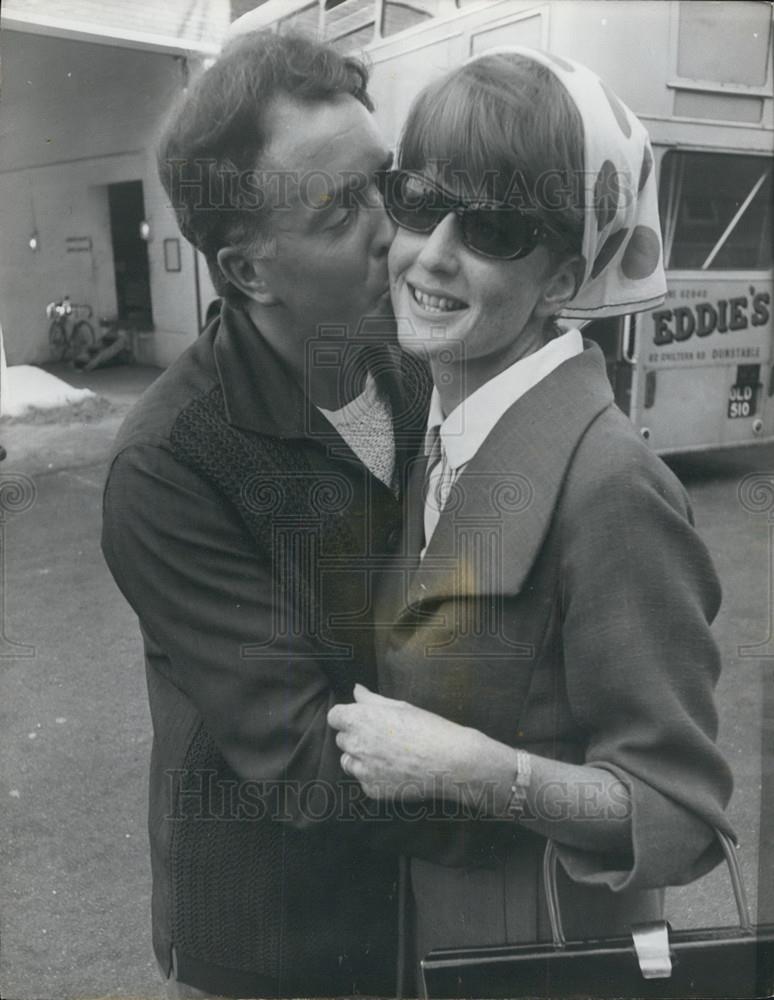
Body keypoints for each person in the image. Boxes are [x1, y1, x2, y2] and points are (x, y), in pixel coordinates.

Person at [328, 46, 735, 986]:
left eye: (495, 229)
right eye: (420, 202)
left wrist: (477, 769)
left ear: (561, 281)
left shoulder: (608, 483)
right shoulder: (443, 427)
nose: (432, 252)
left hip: (548, 959)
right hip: (434, 941)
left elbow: (680, 811)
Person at [101, 29, 431, 999]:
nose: (394, 232)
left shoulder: (412, 362)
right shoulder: (168, 466)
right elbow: (305, 768)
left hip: (419, 901)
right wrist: (538, 781)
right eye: (341, 212)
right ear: (248, 272)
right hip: (274, 940)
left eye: (389, 184)